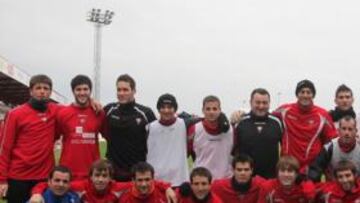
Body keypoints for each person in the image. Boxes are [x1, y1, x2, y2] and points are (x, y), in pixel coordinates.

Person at [0, 74, 61, 203]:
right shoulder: (15, 114)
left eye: (46, 88)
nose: (42, 91)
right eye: (38, 88)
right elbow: (5, 148)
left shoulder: (55, 111)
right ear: (31, 91)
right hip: (18, 177)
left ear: (50, 92)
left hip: (44, 178)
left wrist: (91, 101)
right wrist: (2, 180)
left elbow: (75, 108)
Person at [30, 160, 176, 203]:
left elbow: (143, 182)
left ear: (111, 178)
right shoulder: (80, 186)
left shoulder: (117, 187)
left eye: (104, 176)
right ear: (90, 177)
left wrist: (167, 187)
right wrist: (36, 194)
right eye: (97, 176)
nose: (100, 180)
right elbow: (48, 184)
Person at [273, 79, 337, 172]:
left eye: (308, 92)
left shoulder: (322, 115)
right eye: (302, 92)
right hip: (288, 166)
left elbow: (332, 140)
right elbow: (268, 118)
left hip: (311, 168)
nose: (305, 95)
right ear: (297, 94)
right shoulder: (284, 110)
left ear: (313, 95)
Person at [104, 74, 156, 181]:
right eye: (119, 90)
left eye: (125, 90)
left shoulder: (145, 113)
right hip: (113, 173)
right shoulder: (109, 110)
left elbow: (157, 139)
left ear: (134, 91)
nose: (121, 93)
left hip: (137, 174)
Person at [56, 75, 105, 180]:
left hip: (93, 171)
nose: (82, 93)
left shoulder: (99, 113)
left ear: (90, 91)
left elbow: (109, 136)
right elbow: (55, 137)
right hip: (67, 172)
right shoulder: (63, 113)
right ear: (73, 91)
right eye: (78, 89)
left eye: (85, 89)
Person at [232, 88, 282, 178]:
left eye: (264, 103)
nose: (261, 106)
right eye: (257, 102)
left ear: (269, 103)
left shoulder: (277, 122)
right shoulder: (240, 122)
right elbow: (232, 151)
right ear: (251, 102)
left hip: (271, 179)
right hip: (246, 179)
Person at [147, 93, 189, 187]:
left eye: (170, 107)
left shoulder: (184, 124)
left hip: (179, 180)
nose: (166, 110)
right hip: (156, 181)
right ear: (158, 109)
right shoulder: (150, 127)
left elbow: (205, 120)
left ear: (175, 109)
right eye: (163, 107)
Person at [188, 95, 233, 180]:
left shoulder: (231, 130)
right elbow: (187, 152)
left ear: (220, 110)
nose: (211, 112)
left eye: (215, 109)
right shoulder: (194, 129)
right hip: (201, 181)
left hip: (225, 179)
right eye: (208, 109)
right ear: (203, 110)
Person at [308, 116, 360, 182]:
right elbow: (315, 169)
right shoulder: (329, 147)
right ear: (338, 131)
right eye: (344, 129)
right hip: (333, 187)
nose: (347, 133)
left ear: (355, 131)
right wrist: (310, 183)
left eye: (350, 129)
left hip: (356, 188)